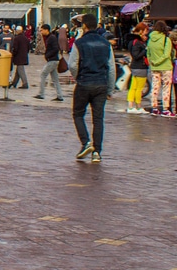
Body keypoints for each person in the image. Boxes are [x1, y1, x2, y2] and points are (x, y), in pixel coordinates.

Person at [67, 13, 116, 163]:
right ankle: (97, 152)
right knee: (98, 118)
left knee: (78, 114)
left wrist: (78, 77)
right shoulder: (106, 44)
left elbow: (72, 65)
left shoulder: (79, 43)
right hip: (101, 84)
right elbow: (112, 69)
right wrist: (110, 89)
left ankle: (85, 142)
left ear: (84, 26)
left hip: (84, 83)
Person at [147, 20, 174, 116]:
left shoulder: (150, 40)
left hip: (154, 67)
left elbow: (148, 53)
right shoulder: (166, 40)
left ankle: (154, 107)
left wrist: (152, 63)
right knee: (166, 88)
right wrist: (158, 61)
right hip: (165, 67)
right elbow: (167, 54)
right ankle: (165, 109)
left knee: (155, 87)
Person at [34, 23, 65, 101]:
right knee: (55, 79)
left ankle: (41, 94)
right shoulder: (50, 37)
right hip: (53, 60)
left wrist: (47, 55)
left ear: (46, 30)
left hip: (52, 60)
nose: (41, 32)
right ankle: (60, 96)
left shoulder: (51, 38)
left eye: (42, 30)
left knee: (43, 74)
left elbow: (55, 48)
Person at [126, 23, 149, 114]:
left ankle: (131, 106)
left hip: (135, 67)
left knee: (133, 87)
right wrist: (145, 50)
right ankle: (138, 106)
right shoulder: (138, 42)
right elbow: (136, 55)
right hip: (141, 67)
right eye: (145, 31)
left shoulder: (133, 41)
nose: (146, 33)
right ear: (140, 31)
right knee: (139, 88)